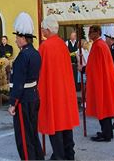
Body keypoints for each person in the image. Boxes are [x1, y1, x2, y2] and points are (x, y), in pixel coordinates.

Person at [39, 16, 79, 160]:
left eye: (43, 28)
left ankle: (59, 155)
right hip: (64, 89)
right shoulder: (63, 44)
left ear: (48, 30)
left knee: (54, 124)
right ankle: (69, 153)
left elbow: (40, 70)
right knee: (66, 123)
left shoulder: (45, 46)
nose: (42, 30)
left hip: (52, 90)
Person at [8, 12, 43, 160]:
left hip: (23, 100)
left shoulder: (23, 55)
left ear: (23, 38)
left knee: (24, 137)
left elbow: (19, 83)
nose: (15, 40)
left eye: (17, 37)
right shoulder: (35, 53)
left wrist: (13, 104)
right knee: (32, 133)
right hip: (34, 96)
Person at [84, 25, 114, 142]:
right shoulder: (101, 45)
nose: (89, 34)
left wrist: (84, 69)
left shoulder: (98, 46)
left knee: (103, 108)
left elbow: (94, 66)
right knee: (105, 108)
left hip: (101, 82)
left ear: (97, 33)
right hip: (104, 80)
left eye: (91, 32)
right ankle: (107, 132)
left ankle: (106, 134)